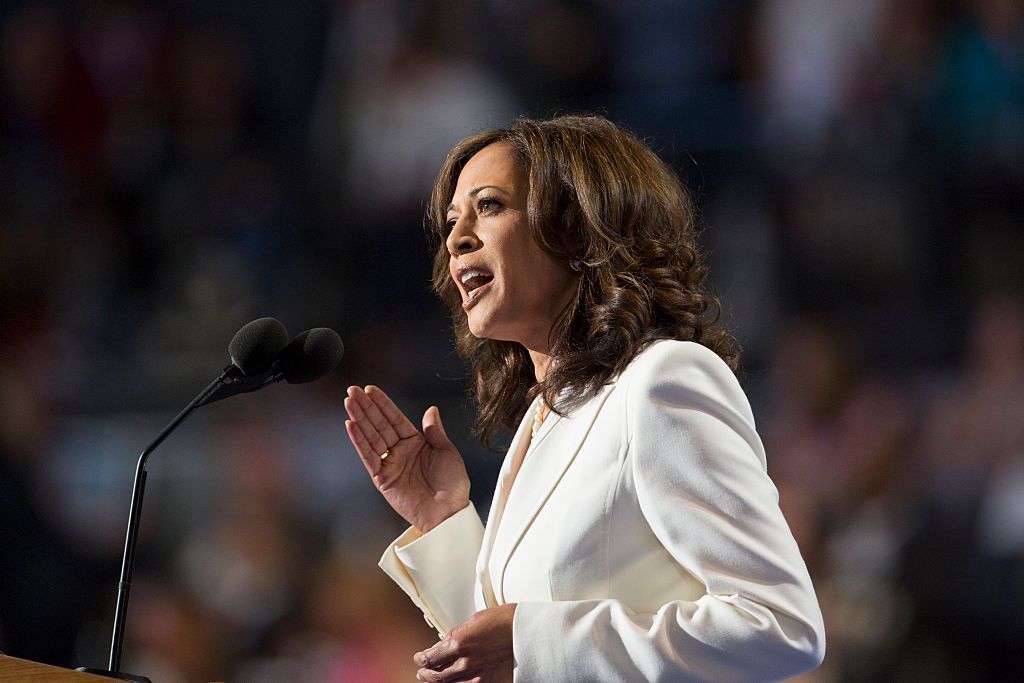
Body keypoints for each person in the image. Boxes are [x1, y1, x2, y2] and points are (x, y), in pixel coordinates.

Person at [343, 115, 825, 682]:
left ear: (575, 227)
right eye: (452, 220)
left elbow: (780, 626)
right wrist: (441, 518)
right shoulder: (545, 418)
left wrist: (533, 640)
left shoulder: (663, 381)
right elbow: (511, 655)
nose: (456, 238)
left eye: (490, 206)